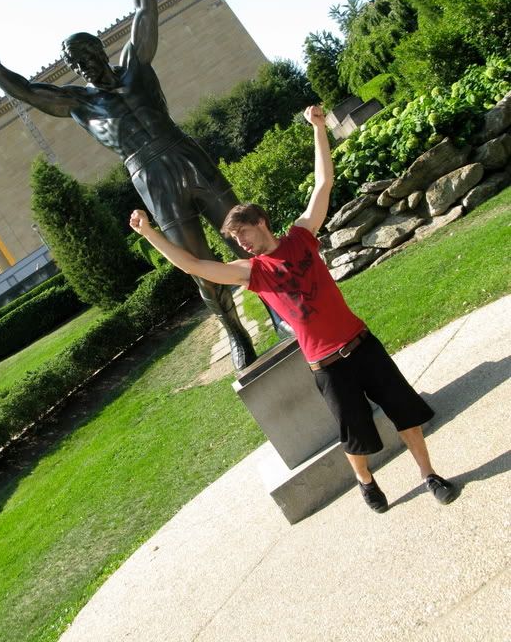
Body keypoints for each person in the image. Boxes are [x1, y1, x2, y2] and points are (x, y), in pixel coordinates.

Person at [0, 0, 264, 371]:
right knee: (198, 264)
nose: (83, 65)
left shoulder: (135, 65)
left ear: (100, 50)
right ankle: (235, 332)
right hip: (151, 178)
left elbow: (145, 10)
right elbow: (26, 91)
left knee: (245, 237)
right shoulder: (80, 104)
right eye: (75, 62)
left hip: (184, 154)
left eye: (86, 54)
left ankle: (281, 309)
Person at [129, 104, 457, 513]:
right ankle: (365, 480)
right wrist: (150, 233)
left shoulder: (301, 236)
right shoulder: (252, 272)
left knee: (405, 412)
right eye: (235, 239)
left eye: (243, 233)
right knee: (355, 437)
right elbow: (195, 266)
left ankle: (429, 475)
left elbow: (323, 183)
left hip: (362, 344)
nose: (241, 243)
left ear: (261, 222)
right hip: (328, 367)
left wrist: (318, 127)